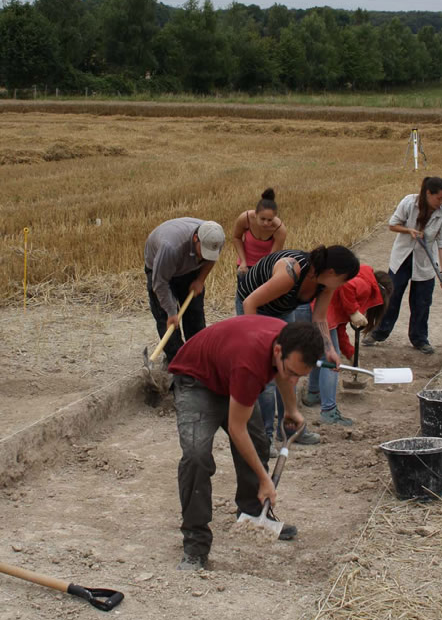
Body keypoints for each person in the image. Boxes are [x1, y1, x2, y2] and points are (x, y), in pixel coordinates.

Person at [168, 317, 325, 570]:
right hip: (196, 381)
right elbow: (236, 428)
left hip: (229, 376)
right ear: (277, 351)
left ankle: (252, 512)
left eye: (301, 376)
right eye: (293, 373)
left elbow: (284, 373)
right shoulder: (250, 364)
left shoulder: (288, 342)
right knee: (196, 456)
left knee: (258, 443)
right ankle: (195, 545)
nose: (294, 380)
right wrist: (265, 479)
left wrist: (291, 409)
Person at [236, 244, 361, 446]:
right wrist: (257, 343)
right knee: (265, 375)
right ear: (331, 272)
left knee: (288, 370)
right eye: (344, 279)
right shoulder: (291, 271)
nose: (343, 284)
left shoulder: (326, 283)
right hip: (253, 307)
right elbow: (250, 303)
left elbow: (319, 317)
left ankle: (289, 429)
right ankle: (264, 438)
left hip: (282, 309)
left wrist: (328, 349)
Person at [365, 176, 442, 355]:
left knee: (422, 302)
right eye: (439, 198)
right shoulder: (409, 202)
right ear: (428, 193)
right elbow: (392, 225)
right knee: (392, 297)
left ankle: (420, 339)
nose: (441, 202)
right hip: (402, 258)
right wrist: (409, 230)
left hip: (426, 263)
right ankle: (379, 332)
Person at [302, 266, 393, 425]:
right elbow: (347, 286)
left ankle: (314, 393)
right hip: (321, 312)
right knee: (332, 359)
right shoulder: (367, 286)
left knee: (321, 352)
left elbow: (340, 327)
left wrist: (351, 354)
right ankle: (329, 411)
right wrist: (353, 312)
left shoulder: (363, 278)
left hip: (317, 309)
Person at [144, 218, 226, 363]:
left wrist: (200, 279)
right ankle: (176, 362)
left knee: (195, 314)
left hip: (190, 269)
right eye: (204, 250)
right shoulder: (170, 247)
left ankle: (196, 357)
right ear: (196, 238)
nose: (206, 255)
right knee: (167, 321)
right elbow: (160, 283)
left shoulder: (216, 239)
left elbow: (211, 259)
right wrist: (171, 312)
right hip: (161, 270)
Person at [232, 188, 287, 304]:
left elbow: (273, 257)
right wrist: (243, 262)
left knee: (263, 301)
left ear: (275, 217)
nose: (266, 223)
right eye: (262, 219)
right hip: (245, 265)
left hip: (265, 266)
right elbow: (236, 238)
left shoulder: (279, 229)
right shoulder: (245, 218)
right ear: (255, 214)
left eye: (270, 220)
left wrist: (262, 272)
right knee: (242, 298)